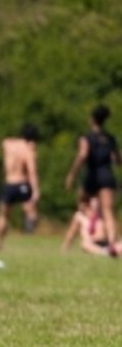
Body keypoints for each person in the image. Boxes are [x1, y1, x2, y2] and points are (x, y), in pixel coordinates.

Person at [66, 105, 119, 246]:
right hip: (107, 176)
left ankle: (68, 243)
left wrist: (72, 174)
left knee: (81, 206)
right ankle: (112, 243)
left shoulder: (87, 137)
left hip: (92, 176)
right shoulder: (110, 138)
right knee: (108, 211)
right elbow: (117, 160)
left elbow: (82, 155)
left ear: (92, 120)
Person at [0, 125, 42, 251]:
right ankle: (30, 227)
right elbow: (32, 172)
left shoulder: (8, 145)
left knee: (3, 215)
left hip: (9, 184)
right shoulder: (29, 151)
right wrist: (36, 190)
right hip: (22, 184)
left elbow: (4, 142)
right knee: (31, 211)